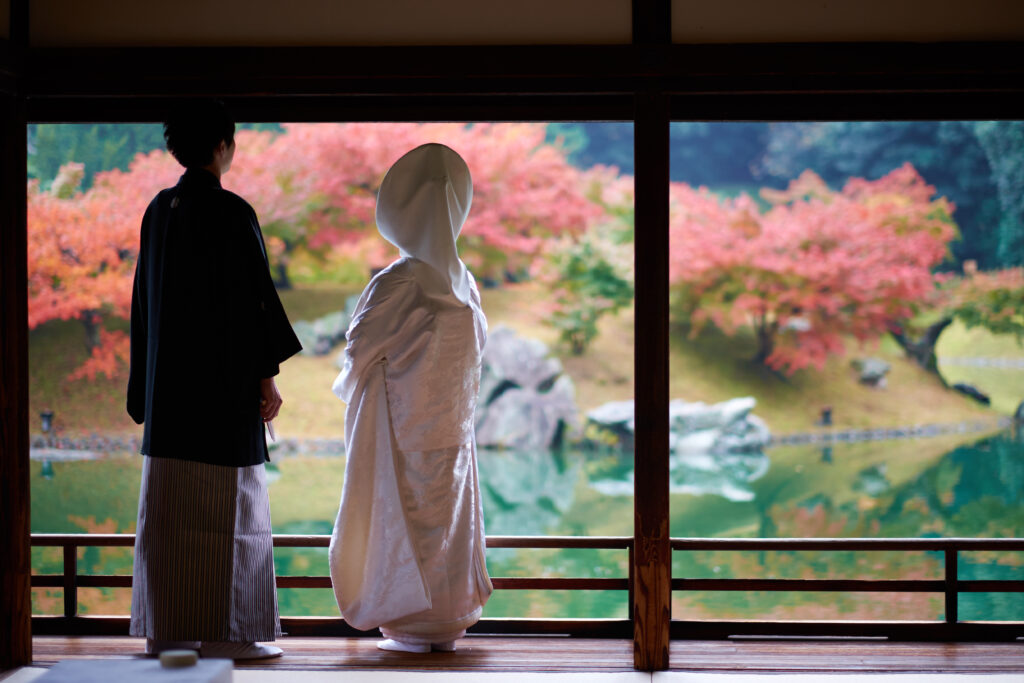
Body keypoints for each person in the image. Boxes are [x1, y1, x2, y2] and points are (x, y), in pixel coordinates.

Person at [126, 100, 302, 660]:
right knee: (233, 520)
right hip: (223, 398)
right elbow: (255, 305)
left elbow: (141, 308)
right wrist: (266, 378)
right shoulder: (231, 212)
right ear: (224, 145)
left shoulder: (159, 210)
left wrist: (143, 392)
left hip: (171, 401)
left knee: (170, 522)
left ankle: (168, 634)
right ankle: (231, 638)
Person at [329, 143, 493, 653]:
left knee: (403, 518)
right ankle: (444, 621)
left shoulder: (399, 280)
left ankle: (408, 621)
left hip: (403, 427)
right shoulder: (463, 283)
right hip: (452, 426)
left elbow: (358, 350)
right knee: (447, 519)